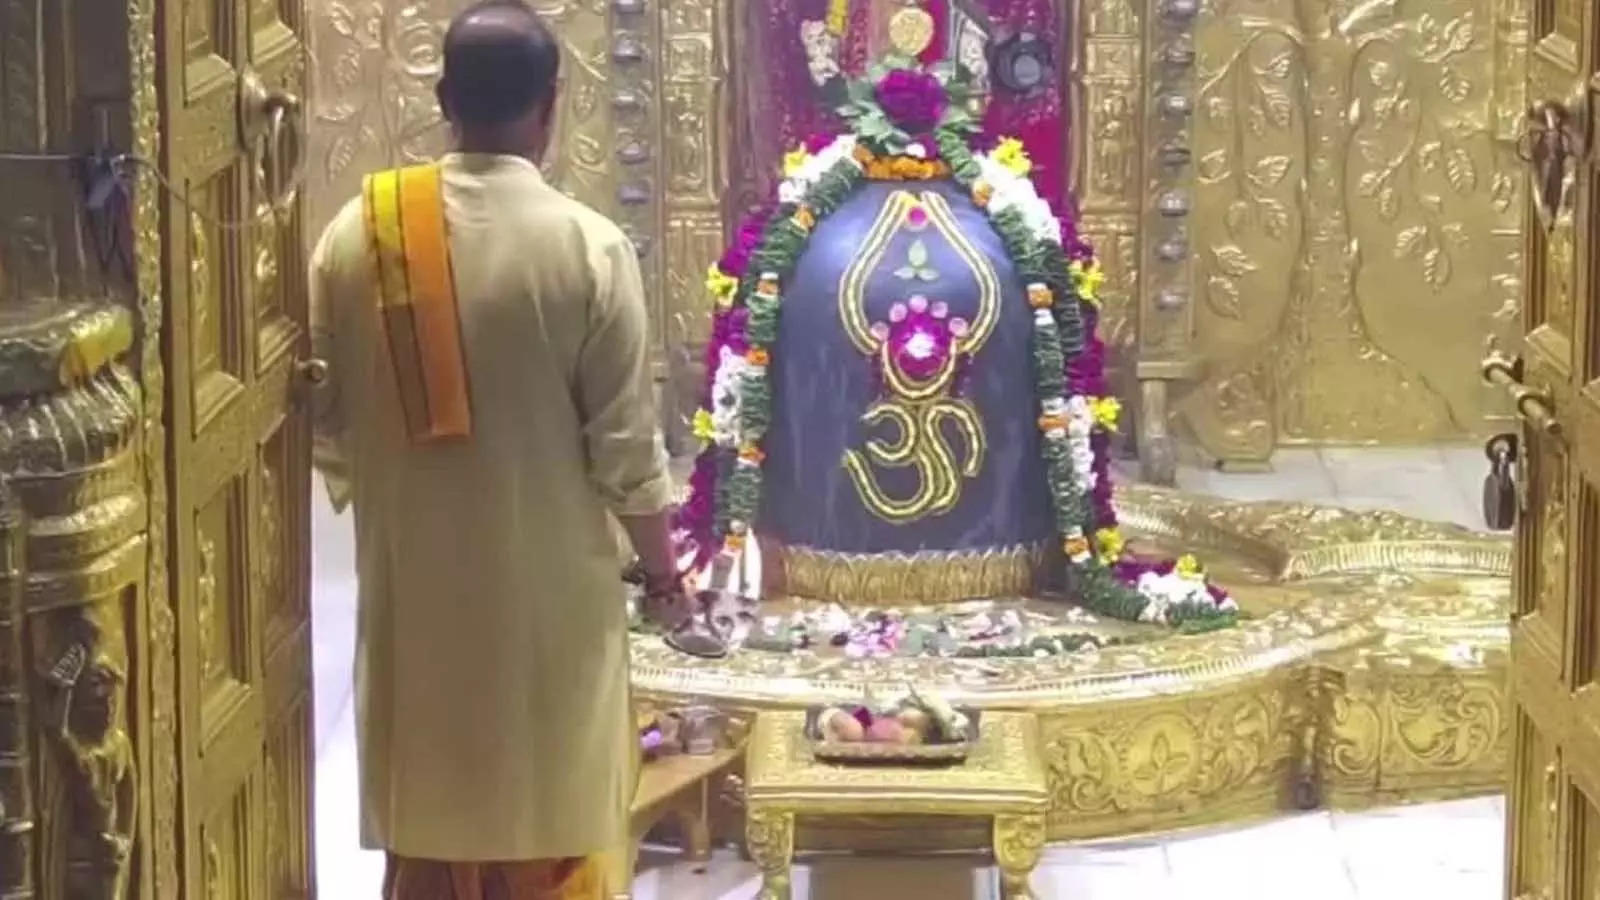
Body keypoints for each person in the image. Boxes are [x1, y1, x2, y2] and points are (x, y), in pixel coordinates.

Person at [307, 1, 687, 896]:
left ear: (441, 96)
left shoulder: (358, 234)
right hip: (548, 614)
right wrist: (667, 577)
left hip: (418, 600)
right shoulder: (587, 249)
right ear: (552, 106)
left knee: (436, 814)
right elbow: (628, 456)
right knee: (549, 813)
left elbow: (324, 422)